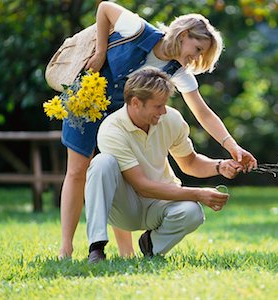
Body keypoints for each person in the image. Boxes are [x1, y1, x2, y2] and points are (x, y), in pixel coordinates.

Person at [59, 1, 257, 259]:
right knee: (77, 171)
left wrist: (233, 148)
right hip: (87, 99)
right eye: (197, 49)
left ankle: (127, 252)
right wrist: (100, 52)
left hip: (122, 115)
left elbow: (203, 113)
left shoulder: (178, 72)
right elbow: (105, 7)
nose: (196, 58)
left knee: (121, 170)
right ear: (183, 35)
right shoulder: (138, 29)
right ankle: (66, 248)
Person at [86, 67, 242, 263]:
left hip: (160, 204)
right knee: (102, 162)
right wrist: (198, 193)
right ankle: (96, 248)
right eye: (157, 106)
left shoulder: (171, 118)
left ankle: (151, 246)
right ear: (135, 103)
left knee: (193, 212)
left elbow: (189, 162)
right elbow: (142, 187)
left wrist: (219, 166)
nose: (163, 111)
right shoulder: (111, 129)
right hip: (125, 209)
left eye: (164, 104)